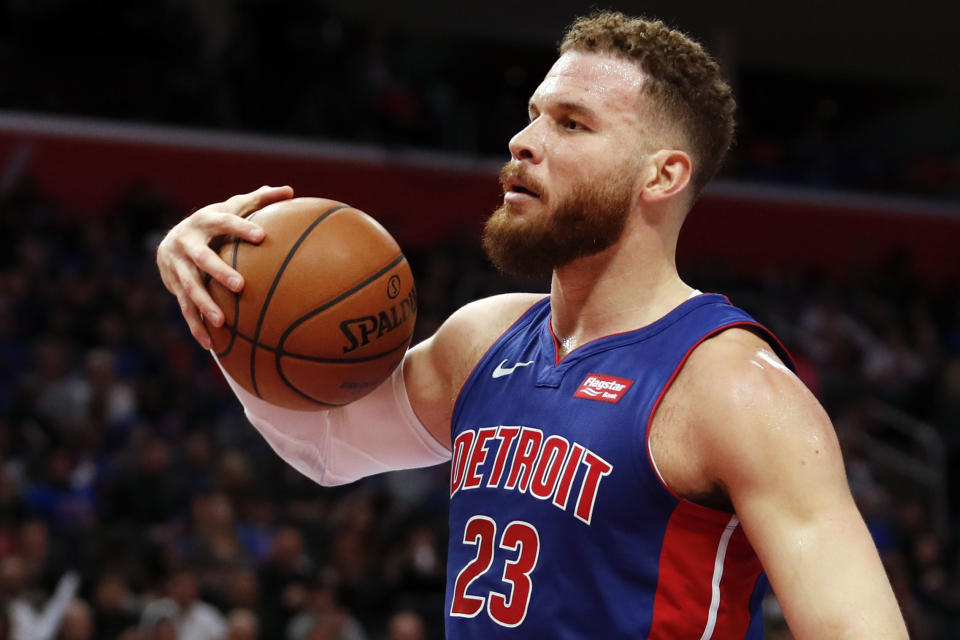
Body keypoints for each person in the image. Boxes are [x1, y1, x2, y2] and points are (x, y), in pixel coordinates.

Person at [156, 11, 908, 639]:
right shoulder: (483, 340)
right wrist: (220, 306)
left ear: (662, 175)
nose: (524, 142)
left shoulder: (736, 390)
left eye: (573, 124)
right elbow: (324, 446)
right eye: (533, 115)